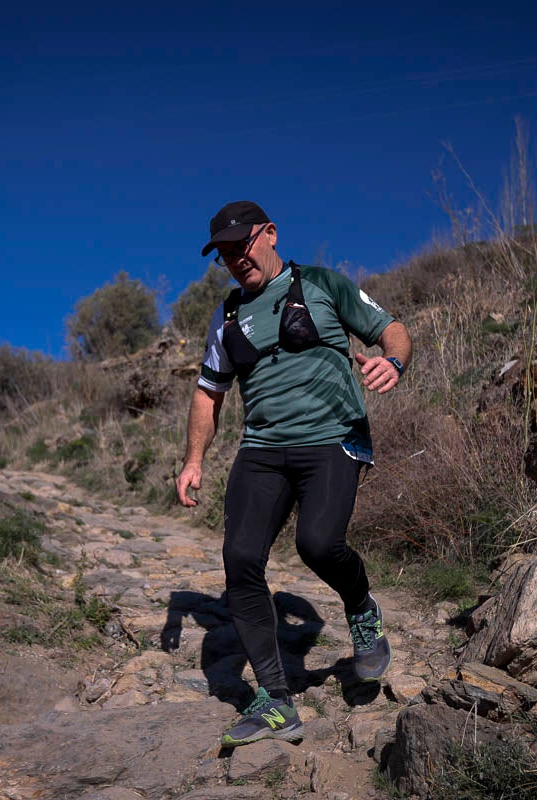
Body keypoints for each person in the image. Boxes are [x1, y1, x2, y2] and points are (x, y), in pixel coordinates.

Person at [176, 200, 412, 748]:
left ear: (271, 234)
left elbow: (392, 329)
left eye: (243, 245)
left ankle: (361, 610)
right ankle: (277, 700)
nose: (236, 259)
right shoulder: (228, 315)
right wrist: (193, 461)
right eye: (225, 254)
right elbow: (208, 394)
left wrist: (393, 362)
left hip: (332, 439)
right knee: (240, 561)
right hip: (261, 450)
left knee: (318, 543)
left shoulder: (325, 285)